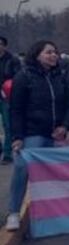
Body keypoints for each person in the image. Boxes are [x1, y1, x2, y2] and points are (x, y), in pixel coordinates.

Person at [6, 40, 69, 231]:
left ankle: (54, 212)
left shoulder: (60, 77)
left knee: (55, 174)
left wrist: (65, 126)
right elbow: (16, 110)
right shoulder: (24, 77)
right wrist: (17, 137)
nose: (53, 55)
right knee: (22, 168)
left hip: (56, 135)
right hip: (32, 133)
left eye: (55, 52)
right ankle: (13, 212)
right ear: (36, 54)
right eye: (48, 52)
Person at [0, 36, 23, 164]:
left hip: (6, 96)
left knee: (8, 125)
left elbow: (18, 77)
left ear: (5, 46)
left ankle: (7, 153)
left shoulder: (12, 60)